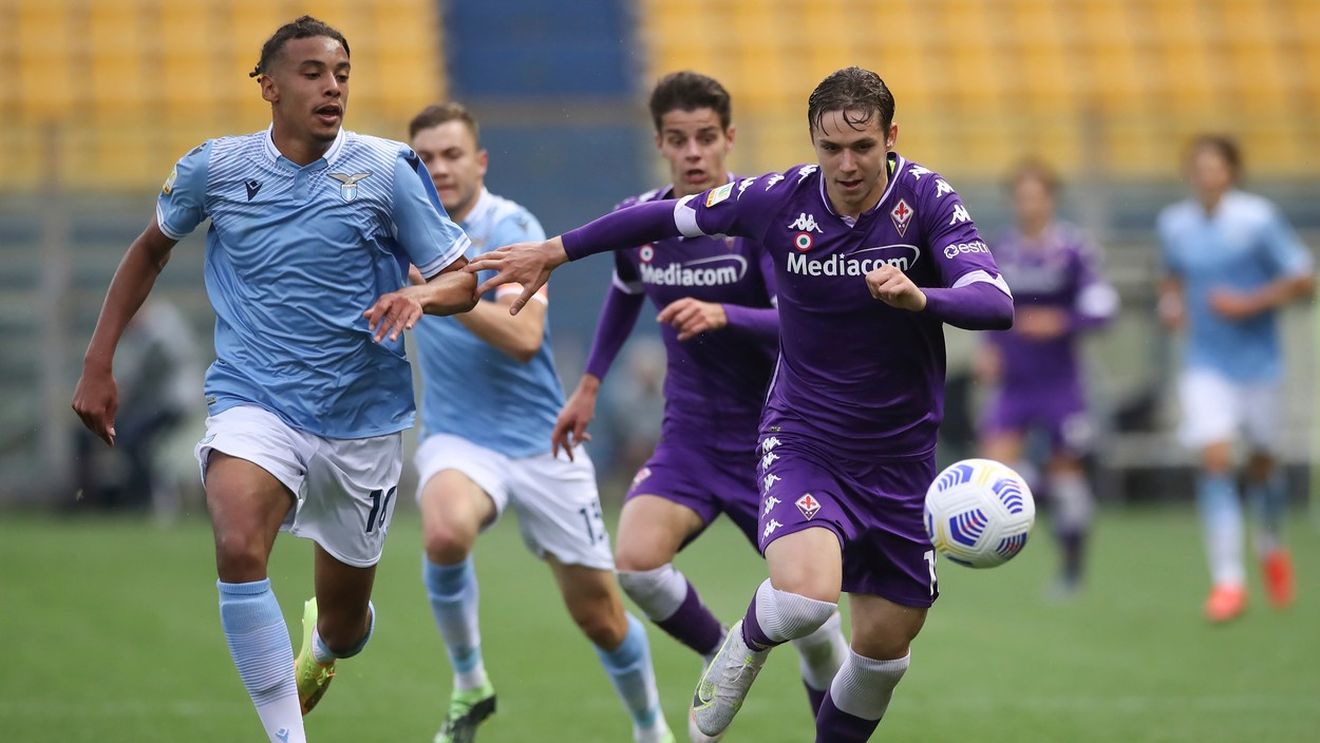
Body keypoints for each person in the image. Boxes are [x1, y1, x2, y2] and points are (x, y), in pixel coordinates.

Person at [467, 66, 1014, 742]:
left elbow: (995, 301)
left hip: (901, 459)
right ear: (812, 140)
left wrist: (920, 297)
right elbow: (659, 217)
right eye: (830, 147)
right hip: (804, 438)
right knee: (804, 597)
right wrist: (555, 250)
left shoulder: (927, 200)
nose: (846, 164)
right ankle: (743, 642)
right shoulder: (778, 198)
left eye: (862, 147)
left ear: (890, 137)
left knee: (882, 656)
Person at [70, 17, 477, 743]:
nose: (333, 86)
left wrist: (420, 294)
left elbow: (463, 282)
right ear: (269, 86)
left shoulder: (387, 169)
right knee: (236, 543)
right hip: (254, 400)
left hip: (362, 421)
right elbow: (149, 251)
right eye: (314, 72)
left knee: (348, 624)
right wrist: (98, 361)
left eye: (343, 73)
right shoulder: (214, 168)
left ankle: (326, 643)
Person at [552, 71, 848, 740]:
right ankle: (725, 653)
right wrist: (592, 381)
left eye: (706, 138)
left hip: (776, 443)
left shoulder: (761, 224)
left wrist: (725, 314)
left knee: (815, 622)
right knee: (635, 559)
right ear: (660, 142)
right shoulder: (644, 223)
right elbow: (626, 287)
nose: (693, 153)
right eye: (678, 140)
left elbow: (797, 325)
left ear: (729, 139)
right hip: (688, 439)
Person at [406, 102, 672, 743]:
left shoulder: (510, 226)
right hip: (459, 439)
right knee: (443, 533)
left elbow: (525, 337)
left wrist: (440, 293)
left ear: (480, 162)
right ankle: (469, 684)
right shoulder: (404, 231)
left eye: (452, 155)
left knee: (601, 619)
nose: (440, 168)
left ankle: (651, 727)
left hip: (540, 445)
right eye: (426, 159)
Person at [1156, 134, 1313, 623]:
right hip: (1205, 364)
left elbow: (1304, 278)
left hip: (1259, 365)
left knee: (1263, 464)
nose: (1206, 175)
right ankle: (1228, 581)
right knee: (1216, 458)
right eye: (1198, 167)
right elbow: (1172, 275)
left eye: (1215, 167)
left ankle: (1270, 543)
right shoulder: (1174, 223)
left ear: (1232, 172)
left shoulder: (1258, 219)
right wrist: (1172, 303)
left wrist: (1250, 303)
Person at [978, 161, 1118, 596]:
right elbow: (988, 304)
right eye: (1021, 197)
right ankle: (1028, 505)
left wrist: (1061, 320)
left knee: (1066, 472)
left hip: (1060, 383)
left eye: (1036, 196)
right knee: (994, 469)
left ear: (1050, 199)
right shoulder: (1001, 249)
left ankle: (1072, 568)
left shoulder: (1074, 249)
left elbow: (1102, 308)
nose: (1029, 205)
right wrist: (989, 349)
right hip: (1015, 383)